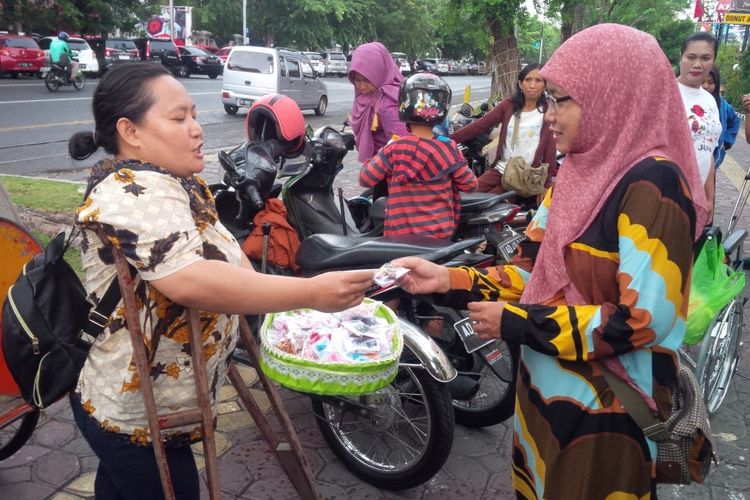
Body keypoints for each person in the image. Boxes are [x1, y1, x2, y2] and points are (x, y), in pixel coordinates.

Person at [393, 24, 708, 499]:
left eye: (562, 100)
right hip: (544, 399)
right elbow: (530, 269)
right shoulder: (576, 171)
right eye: (548, 101)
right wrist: (447, 279)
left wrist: (518, 324)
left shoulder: (655, 186)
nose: (549, 116)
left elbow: (644, 322)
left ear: (612, 95)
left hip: (608, 414)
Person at [67, 62, 373, 499]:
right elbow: (189, 280)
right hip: (134, 415)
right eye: (178, 118)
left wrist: (287, 306)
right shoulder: (126, 192)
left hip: (166, 402)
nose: (196, 129)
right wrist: (310, 293)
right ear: (129, 131)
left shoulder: (178, 183)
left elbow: (230, 264)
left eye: (193, 114)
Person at [359, 72, 477, 239]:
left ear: (403, 106)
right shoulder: (448, 149)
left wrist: (380, 153)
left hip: (399, 237)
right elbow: (470, 185)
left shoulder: (394, 149)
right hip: (438, 237)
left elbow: (366, 179)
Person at [450, 63, 557, 204]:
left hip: (523, 178)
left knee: (485, 206)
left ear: (544, 85)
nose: (532, 85)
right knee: (462, 197)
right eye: (528, 80)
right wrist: (446, 141)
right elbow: (479, 126)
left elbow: (551, 151)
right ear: (520, 83)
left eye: (538, 81)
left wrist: (546, 185)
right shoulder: (508, 105)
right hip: (499, 170)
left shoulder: (548, 112)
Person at [677, 31, 721, 220]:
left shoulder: (709, 100)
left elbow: (708, 150)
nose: (697, 64)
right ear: (681, 58)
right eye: (691, 57)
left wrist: (709, 197)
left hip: (695, 198)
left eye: (705, 58)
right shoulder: (667, 93)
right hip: (665, 194)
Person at [348, 42, 409, 164]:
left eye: (367, 80)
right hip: (378, 167)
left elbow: (403, 148)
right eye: (357, 80)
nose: (362, 87)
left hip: (389, 172)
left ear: (380, 73)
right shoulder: (365, 97)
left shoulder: (387, 102)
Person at [703, 64, 741, 169]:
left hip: (714, 156)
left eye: (710, 82)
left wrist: (726, 143)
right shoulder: (689, 101)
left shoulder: (722, 105)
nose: (705, 86)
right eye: (702, 81)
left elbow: (735, 121)